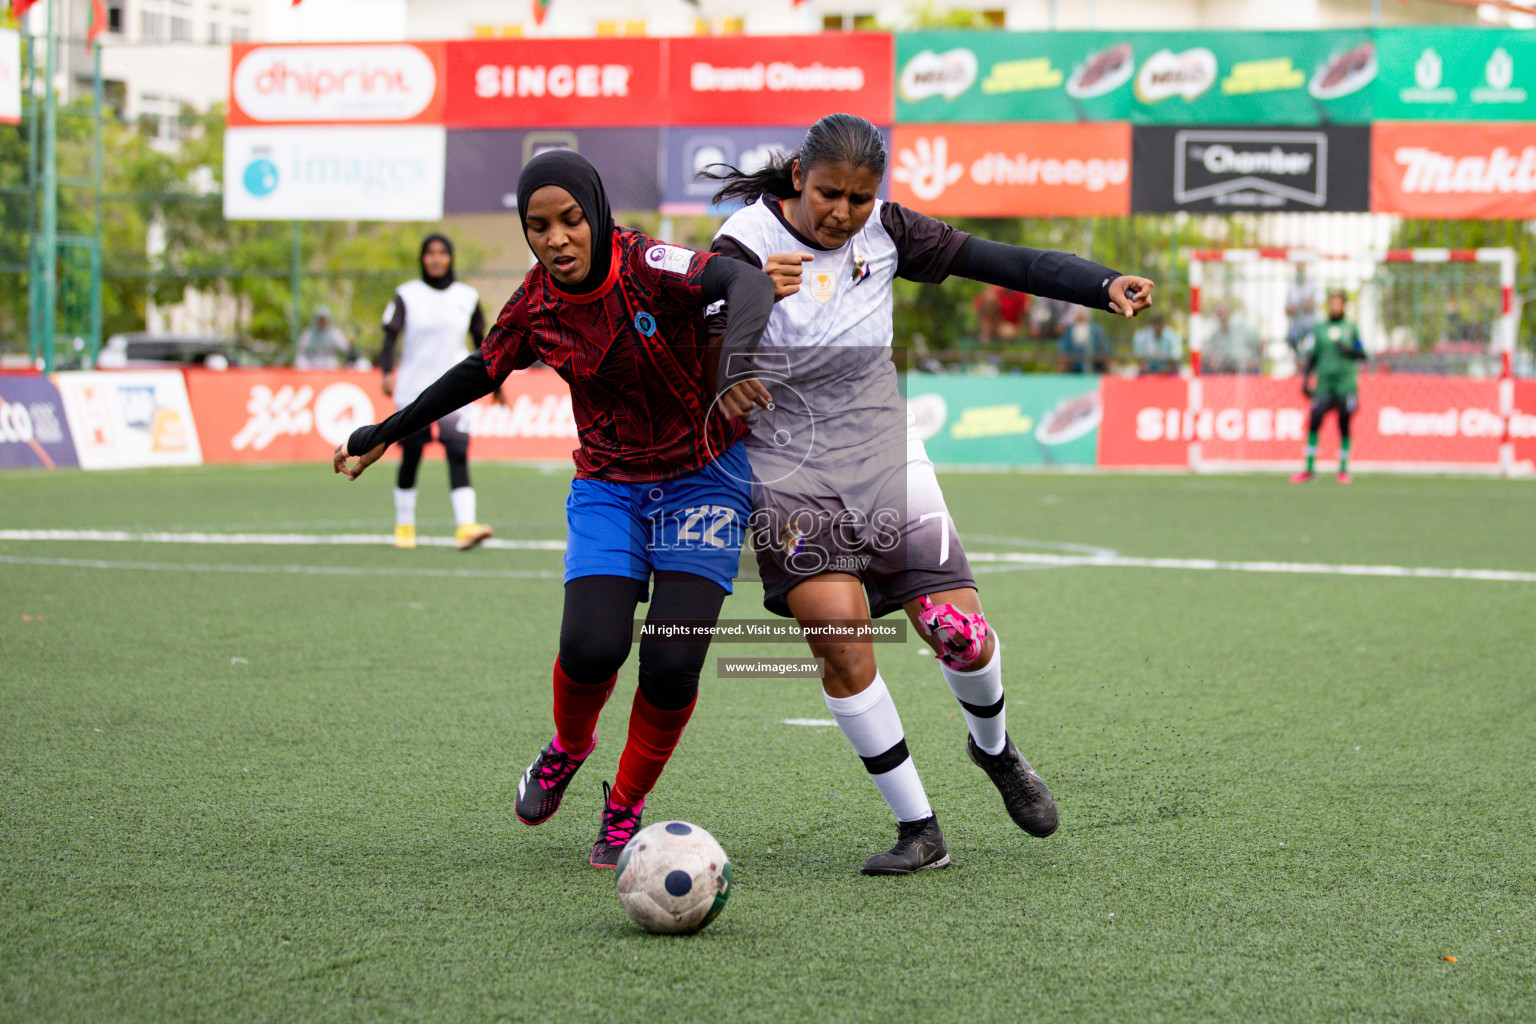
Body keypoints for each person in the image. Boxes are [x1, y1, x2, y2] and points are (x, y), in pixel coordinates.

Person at [700, 112, 1154, 874]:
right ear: (798, 181)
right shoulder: (742, 246)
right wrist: (753, 308)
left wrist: (1099, 283)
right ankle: (920, 828)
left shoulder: (889, 231)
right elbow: (708, 358)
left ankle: (996, 750)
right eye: (828, 195)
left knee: (959, 632)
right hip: (788, 467)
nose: (843, 213)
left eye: (859, 196)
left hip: (882, 450)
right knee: (839, 639)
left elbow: (1001, 261)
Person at [335, 152, 775, 867]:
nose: (558, 239)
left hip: (705, 479)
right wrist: (384, 432)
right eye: (539, 227)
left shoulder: (648, 263)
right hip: (609, 486)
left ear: (596, 214)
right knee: (593, 647)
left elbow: (743, 281)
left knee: (670, 662)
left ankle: (625, 807)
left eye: (571, 219)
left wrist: (736, 366)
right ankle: (569, 748)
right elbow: (482, 367)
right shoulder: (536, 303)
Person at [380, 235, 496, 551]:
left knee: (458, 452)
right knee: (412, 454)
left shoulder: (467, 297)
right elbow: (390, 337)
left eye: (442, 253)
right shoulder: (407, 295)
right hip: (414, 389)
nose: (435, 258)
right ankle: (404, 526)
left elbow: (484, 343)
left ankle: (465, 527)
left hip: (455, 390)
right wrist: (387, 371)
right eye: (430, 253)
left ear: (450, 257)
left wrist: (497, 383)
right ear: (422, 258)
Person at [1292, 289, 1366, 485]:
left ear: (1343, 305)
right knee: (1314, 420)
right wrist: (1306, 380)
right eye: (1332, 303)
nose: (1334, 306)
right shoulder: (1320, 329)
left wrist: (1349, 350)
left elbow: (1362, 353)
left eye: (1338, 303)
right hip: (1324, 384)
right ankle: (1309, 468)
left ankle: (1343, 469)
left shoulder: (1351, 328)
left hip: (1345, 384)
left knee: (1344, 422)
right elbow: (1312, 357)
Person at [1204, 302, 1260, 375]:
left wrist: (1254, 360)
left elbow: (1257, 343)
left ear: (1229, 312)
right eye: (1220, 313)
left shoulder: (1241, 328)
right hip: (1224, 368)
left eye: (1224, 312)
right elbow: (1207, 353)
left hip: (1243, 367)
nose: (1222, 315)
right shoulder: (1214, 335)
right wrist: (1211, 360)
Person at [1056, 305, 1110, 373]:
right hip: (1073, 368)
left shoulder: (1096, 330)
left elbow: (1105, 349)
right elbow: (1063, 349)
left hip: (1095, 366)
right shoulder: (1069, 331)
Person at [294, 306, 351, 370]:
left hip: (329, 362)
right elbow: (301, 350)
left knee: (332, 363)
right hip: (312, 362)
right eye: (320, 320)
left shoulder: (334, 333)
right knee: (300, 361)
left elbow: (345, 348)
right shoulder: (308, 333)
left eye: (323, 320)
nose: (322, 322)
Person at [1284, 266, 1318, 355]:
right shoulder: (1292, 287)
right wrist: (1293, 309)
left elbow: (1314, 304)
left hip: (1310, 326)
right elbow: (1287, 310)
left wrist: (1306, 305)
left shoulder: (1312, 285)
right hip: (1296, 327)